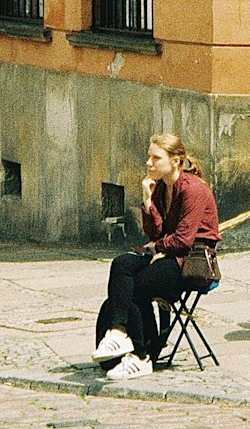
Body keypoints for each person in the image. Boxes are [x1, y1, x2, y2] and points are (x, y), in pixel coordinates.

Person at [93, 133, 221, 380]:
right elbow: (155, 231)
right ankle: (118, 334)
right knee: (121, 265)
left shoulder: (193, 190)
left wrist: (155, 249)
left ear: (176, 160)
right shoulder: (162, 187)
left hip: (190, 262)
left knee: (135, 287)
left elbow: (183, 240)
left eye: (155, 158)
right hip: (168, 253)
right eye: (149, 157)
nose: (149, 163)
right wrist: (148, 201)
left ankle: (142, 356)